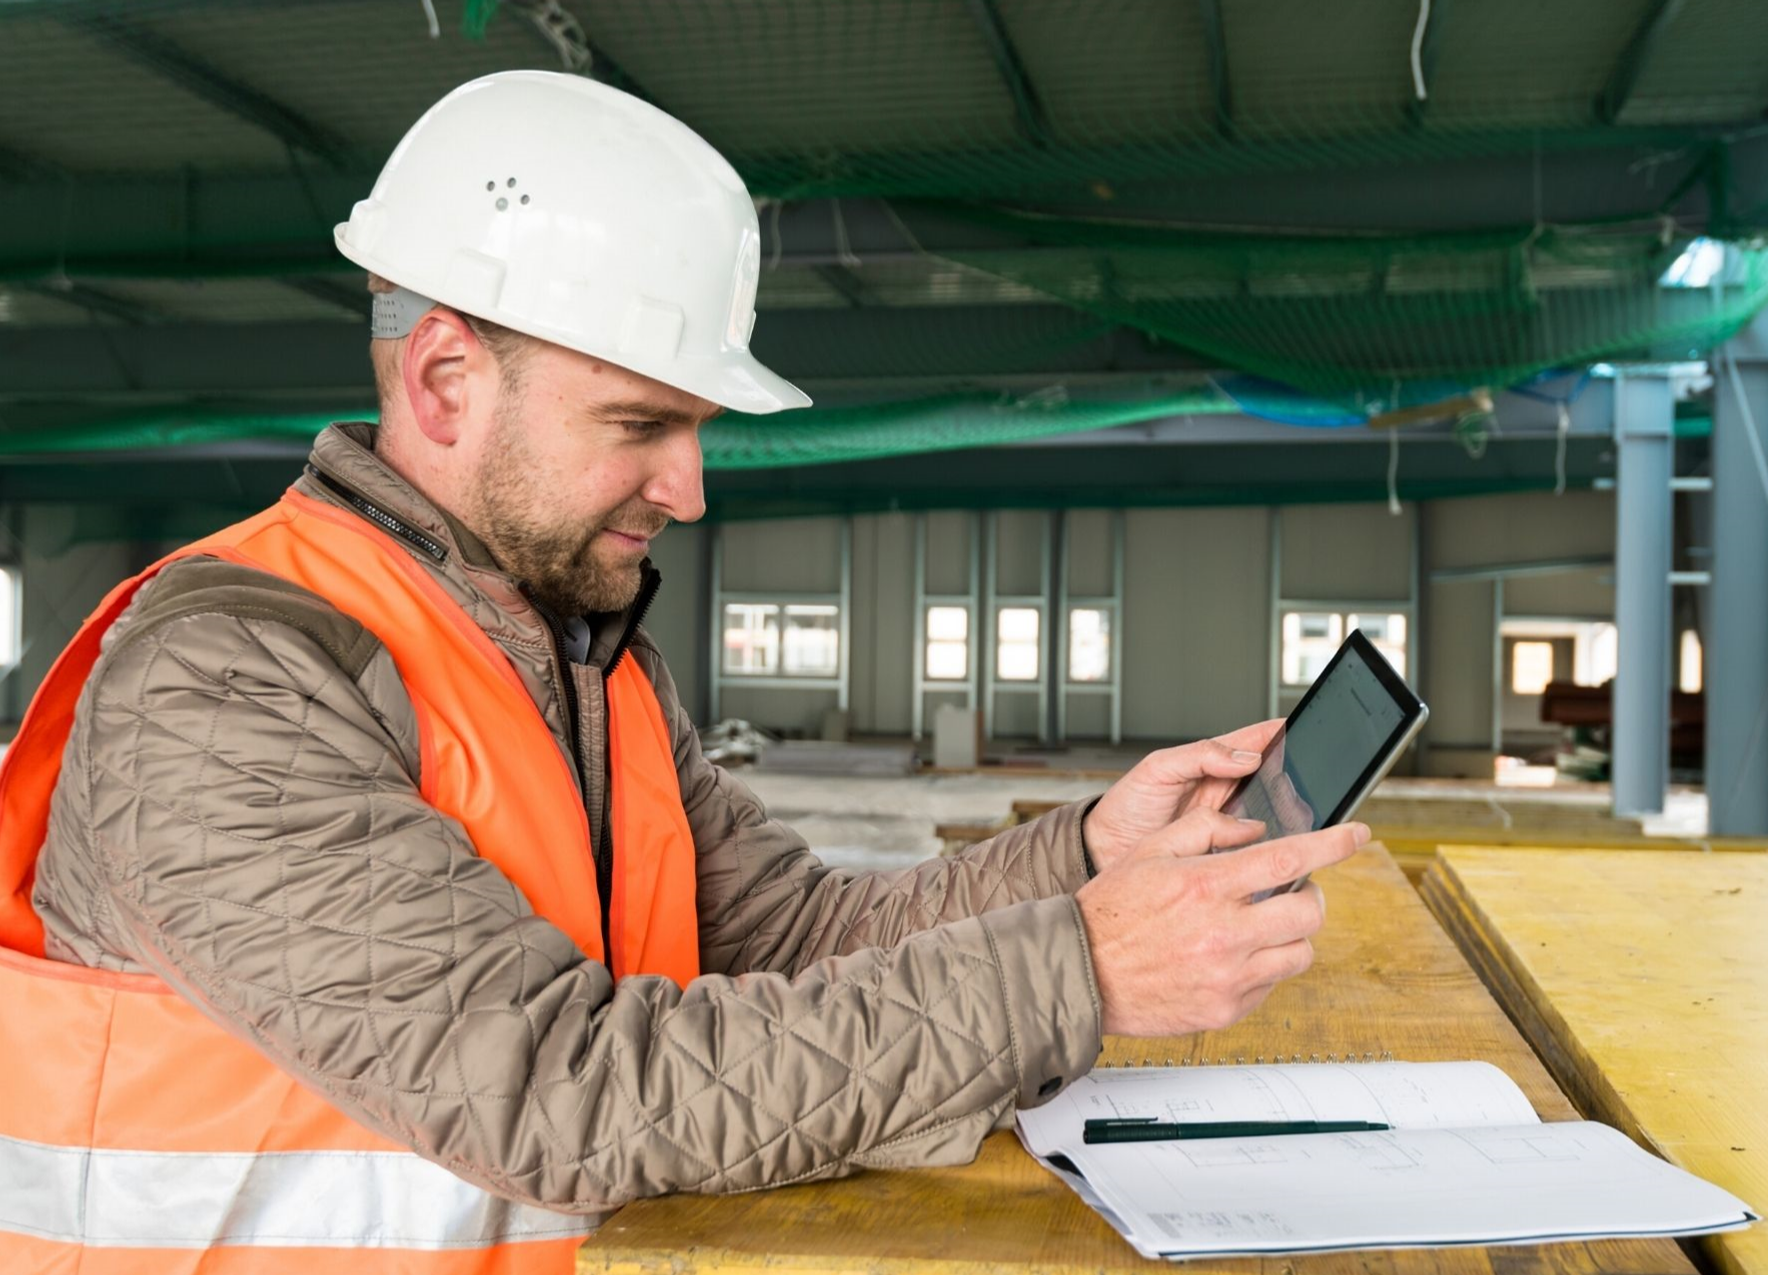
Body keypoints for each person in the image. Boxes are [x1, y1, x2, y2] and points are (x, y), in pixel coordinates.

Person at [0, 71, 1362, 1271]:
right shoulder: (225, 683)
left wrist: (1085, 859)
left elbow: (799, 942)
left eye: (695, 427)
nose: (690, 488)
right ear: (445, 380)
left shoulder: (581, 664)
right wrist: (1080, 969)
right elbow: (560, 1091)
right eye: (640, 423)